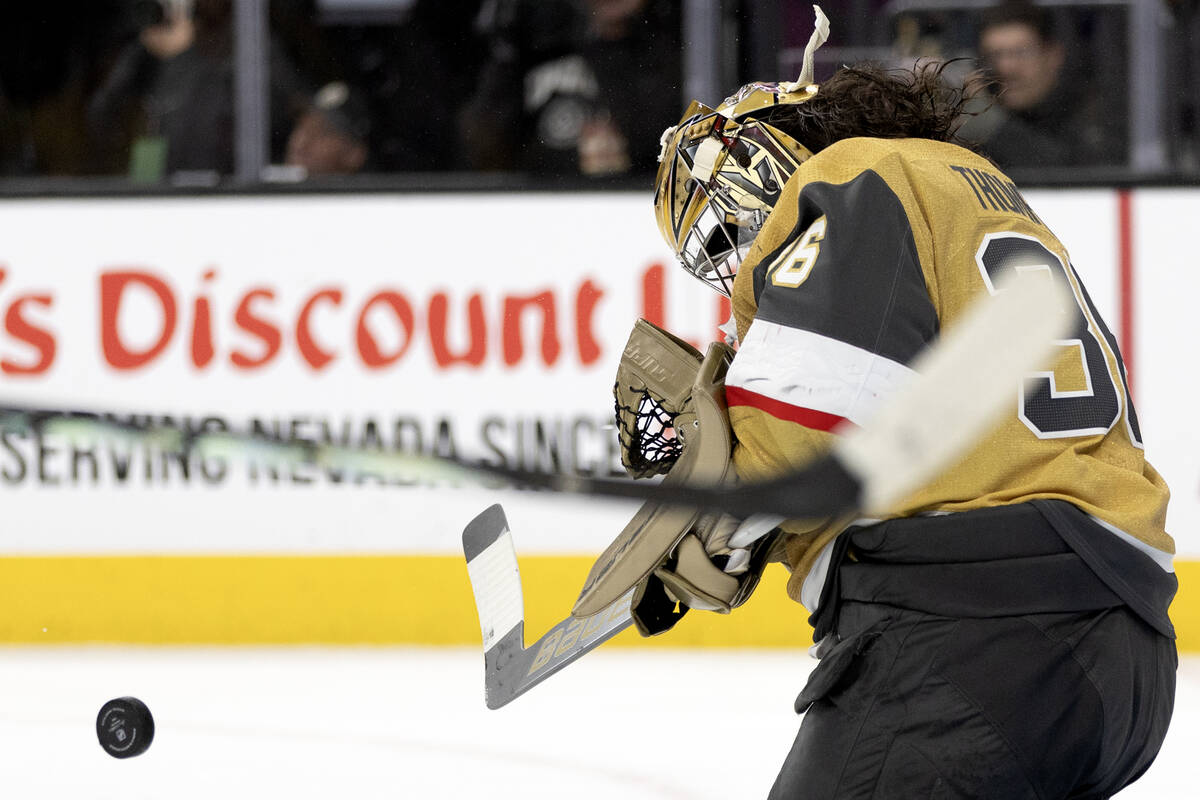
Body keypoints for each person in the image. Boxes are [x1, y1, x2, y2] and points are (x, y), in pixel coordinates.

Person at [639, 8, 1176, 798]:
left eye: (732, 222)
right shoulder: (971, 185)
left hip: (973, 644)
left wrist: (708, 511)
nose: (740, 255)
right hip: (1125, 657)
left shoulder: (850, 177)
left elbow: (797, 433)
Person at [957, 0, 1125, 169]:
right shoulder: (978, 118)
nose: (1006, 67)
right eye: (995, 55)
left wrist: (995, 126)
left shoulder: (1094, 118)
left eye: (1021, 52)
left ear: (1053, 55)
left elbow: (1076, 177)